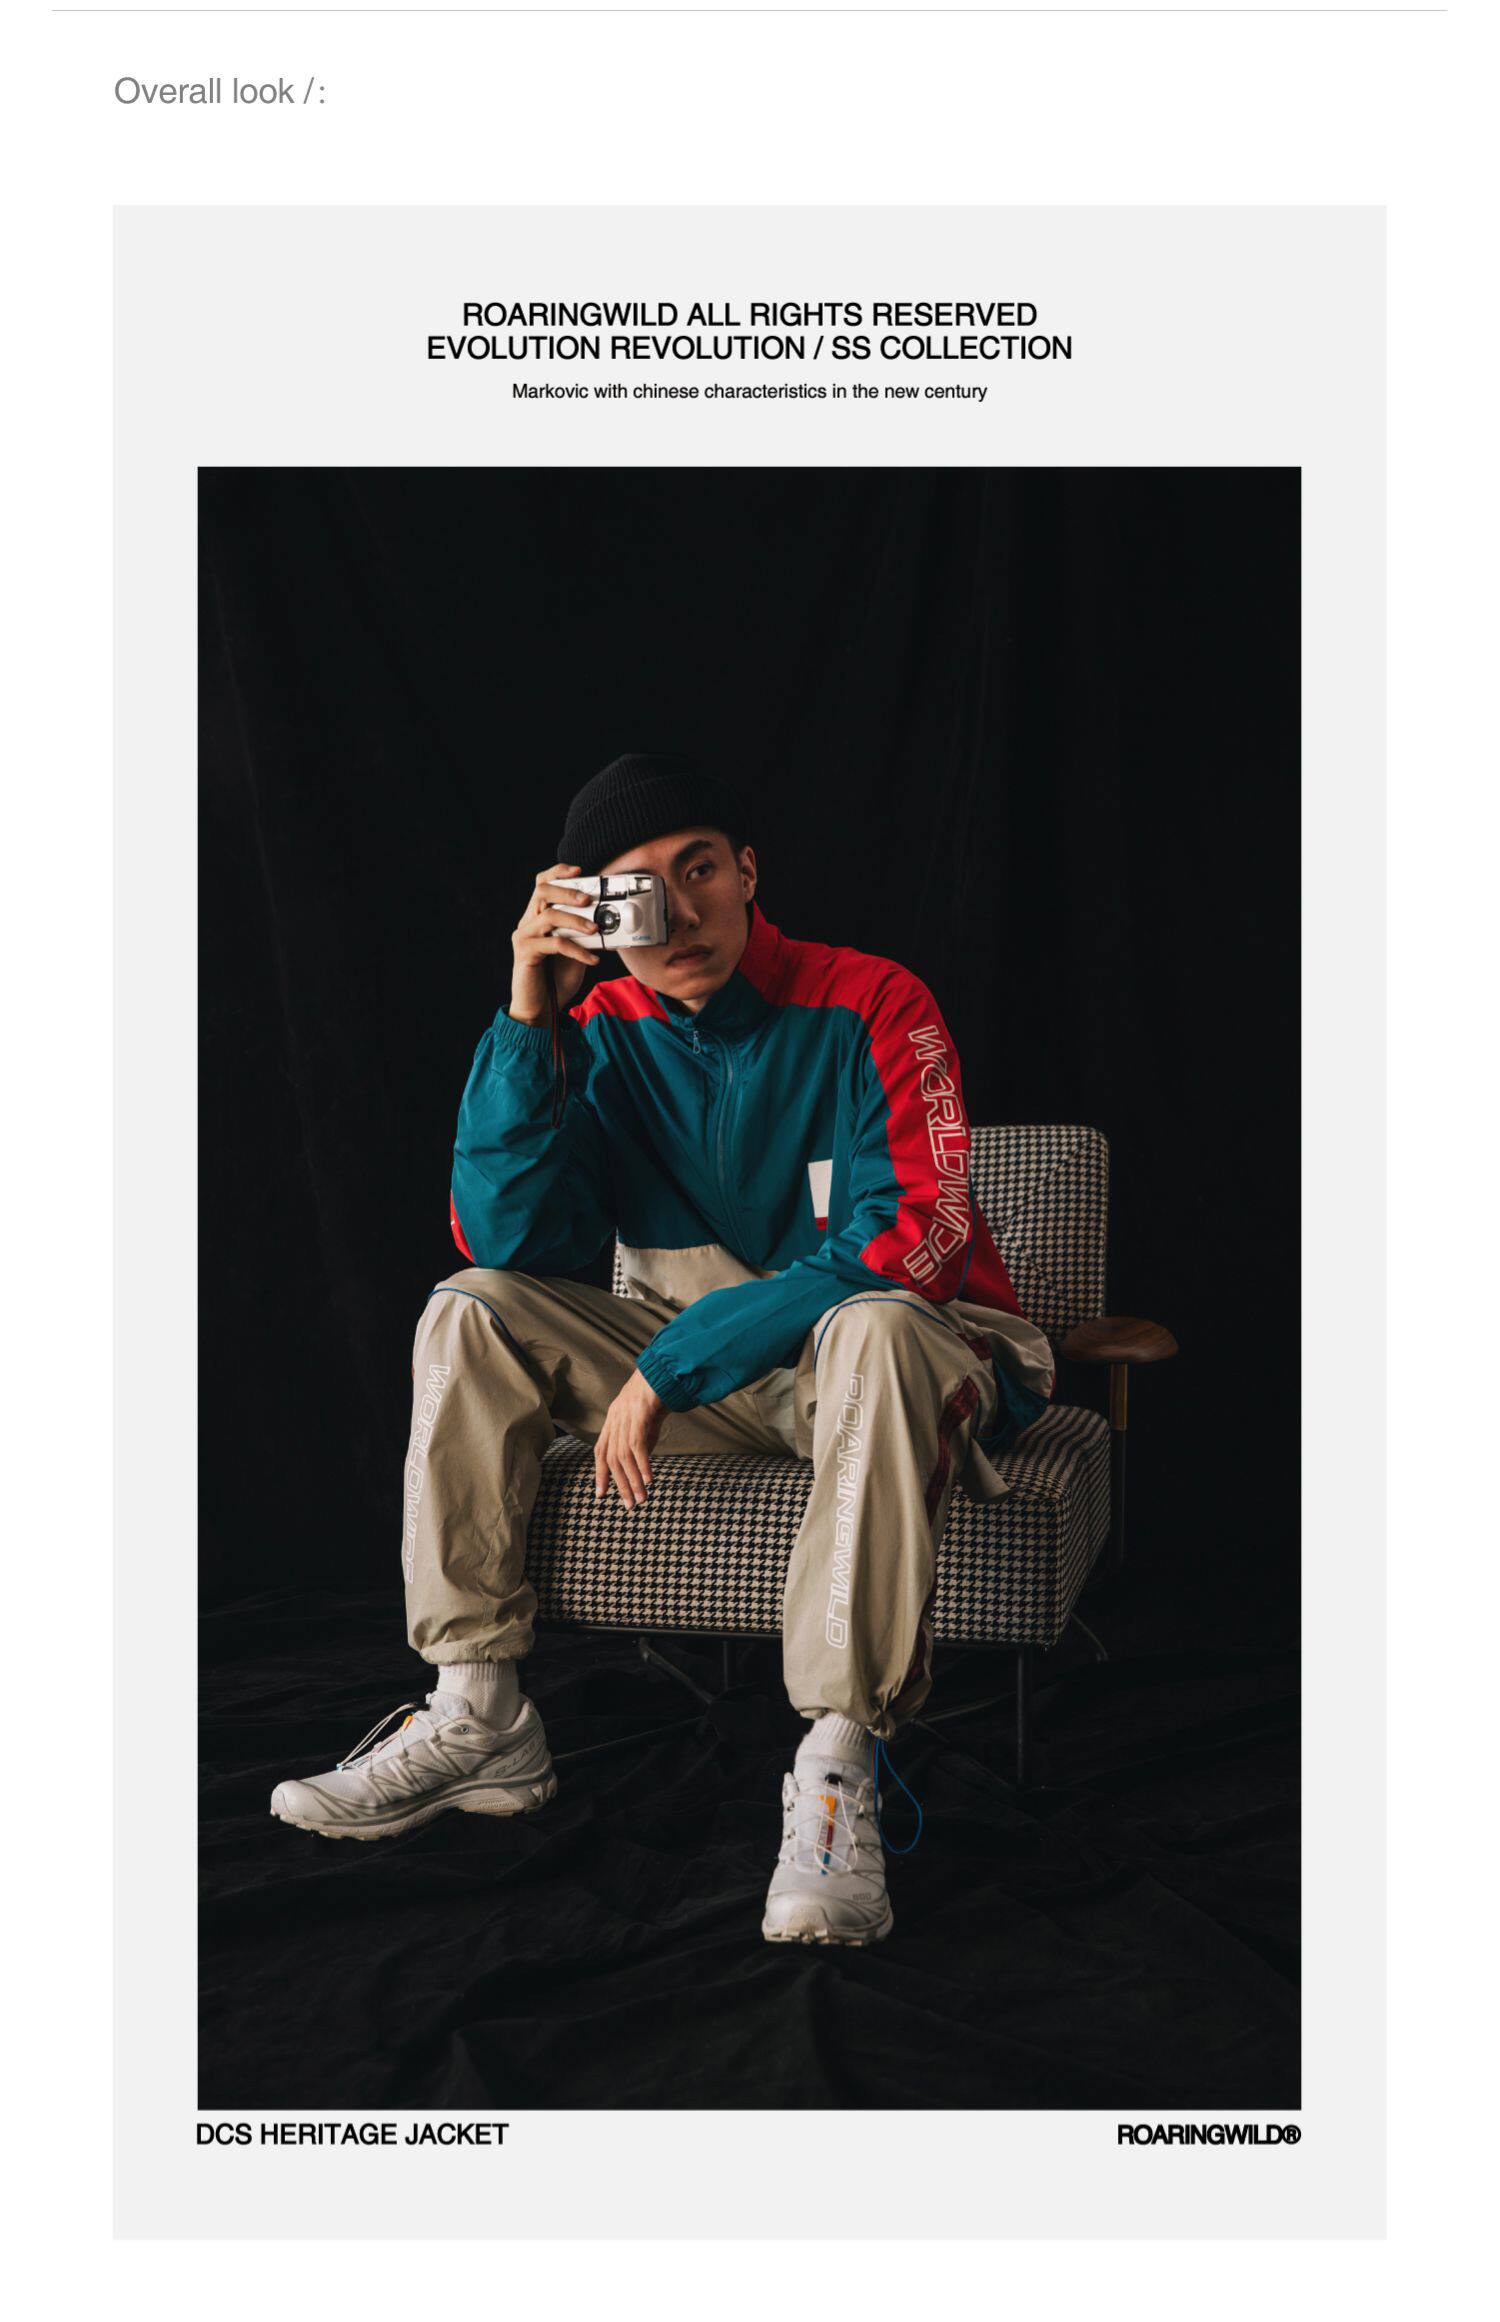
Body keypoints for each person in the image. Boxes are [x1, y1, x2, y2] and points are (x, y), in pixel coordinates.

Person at [271, 753, 1055, 1944]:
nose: (678, 914)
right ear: (590, 913)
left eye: (699, 871)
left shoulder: (874, 1001)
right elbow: (511, 1240)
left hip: (912, 1360)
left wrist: (671, 1363)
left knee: (878, 1322)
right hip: (722, 1384)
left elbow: (914, 1243)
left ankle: (837, 1765)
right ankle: (479, 1711)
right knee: (470, 1307)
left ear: (748, 874)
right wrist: (528, 1019)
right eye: (636, 891)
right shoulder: (597, 1033)